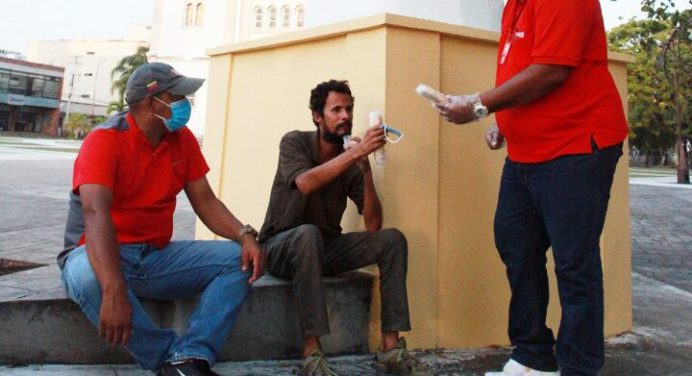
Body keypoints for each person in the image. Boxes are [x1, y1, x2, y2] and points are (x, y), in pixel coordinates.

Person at [434, 1, 628, 375]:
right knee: (515, 245)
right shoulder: (514, 6)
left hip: (575, 148)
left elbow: (551, 70)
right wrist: (506, 122)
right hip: (527, 154)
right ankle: (532, 356)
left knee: (574, 263)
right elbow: (521, 68)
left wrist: (478, 106)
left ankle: (579, 367)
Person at [58, 62, 264, 376]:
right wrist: (113, 290)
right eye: (176, 97)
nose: (184, 104)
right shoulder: (104, 140)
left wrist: (245, 234)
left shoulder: (182, 140)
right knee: (87, 278)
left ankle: (191, 354)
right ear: (150, 101)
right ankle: (170, 361)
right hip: (95, 254)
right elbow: (95, 213)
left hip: (154, 256)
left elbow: (206, 202)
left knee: (239, 259)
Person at [258, 80, 431, 376]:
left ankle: (390, 348)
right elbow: (305, 183)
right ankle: (312, 354)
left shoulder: (352, 161)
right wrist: (354, 153)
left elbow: (374, 225)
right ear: (317, 116)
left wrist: (364, 171)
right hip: (281, 246)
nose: (345, 116)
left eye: (349, 109)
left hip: (324, 248)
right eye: (336, 109)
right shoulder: (294, 142)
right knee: (307, 234)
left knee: (392, 240)